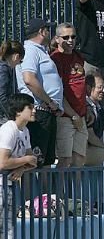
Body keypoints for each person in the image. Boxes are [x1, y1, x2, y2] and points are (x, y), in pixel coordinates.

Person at [15, 18, 62, 167]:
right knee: (34, 163)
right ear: (42, 32)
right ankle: (33, 191)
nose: (51, 33)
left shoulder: (40, 51)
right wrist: (50, 102)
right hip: (39, 112)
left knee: (46, 161)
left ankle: (44, 191)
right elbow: (29, 79)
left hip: (47, 112)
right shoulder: (30, 50)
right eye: (48, 30)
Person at [0, 94, 38, 239]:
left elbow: (34, 161)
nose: (34, 110)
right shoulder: (9, 129)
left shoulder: (25, 131)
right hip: (0, 185)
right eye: (30, 107)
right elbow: (2, 162)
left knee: (5, 238)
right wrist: (25, 160)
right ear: (18, 111)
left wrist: (22, 168)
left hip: (9, 187)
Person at [51, 23, 88, 168]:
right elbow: (58, 94)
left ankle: (76, 192)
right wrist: (74, 115)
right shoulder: (54, 60)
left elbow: (81, 87)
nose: (70, 40)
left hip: (81, 116)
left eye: (73, 36)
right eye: (66, 37)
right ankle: (60, 191)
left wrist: (86, 110)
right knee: (65, 160)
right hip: (65, 117)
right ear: (57, 39)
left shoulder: (78, 56)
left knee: (79, 160)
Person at [0, 41, 25, 125]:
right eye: (20, 61)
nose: (18, 64)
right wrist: (12, 116)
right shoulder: (4, 70)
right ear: (16, 56)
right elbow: (2, 95)